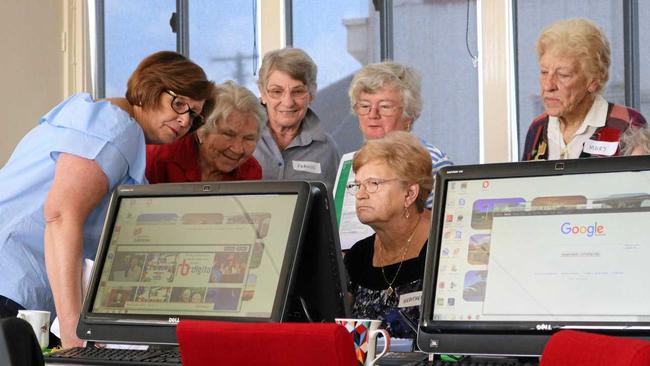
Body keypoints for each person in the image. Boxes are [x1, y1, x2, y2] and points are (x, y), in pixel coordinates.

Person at [0, 50, 213, 348]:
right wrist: (75, 333)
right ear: (150, 87)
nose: (183, 120)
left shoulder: (97, 117)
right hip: (8, 285)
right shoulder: (117, 128)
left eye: (193, 115)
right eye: (178, 103)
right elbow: (60, 215)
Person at [344, 131, 432, 338]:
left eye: (374, 184)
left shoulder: (443, 248)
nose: (360, 194)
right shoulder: (359, 255)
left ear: (410, 193)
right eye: (358, 185)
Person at [522, 18, 647, 161]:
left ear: (593, 81)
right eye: (544, 72)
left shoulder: (626, 123)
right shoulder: (538, 127)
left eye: (563, 75)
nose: (547, 86)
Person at [348, 61, 452, 208]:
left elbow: (439, 226)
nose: (372, 114)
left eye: (385, 106)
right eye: (365, 106)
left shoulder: (433, 163)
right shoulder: (351, 162)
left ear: (409, 115)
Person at [254, 47, 340, 188]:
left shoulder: (327, 149)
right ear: (262, 93)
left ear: (311, 94)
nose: (288, 102)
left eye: (298, 91)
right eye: (277, 91)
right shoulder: (242, 139)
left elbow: (334, 206)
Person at [146, 81, 266, 183]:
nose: (238, 149)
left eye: (249, 138)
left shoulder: (250, 171)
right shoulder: (157, 158)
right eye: (229, 135)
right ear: (201, 131)